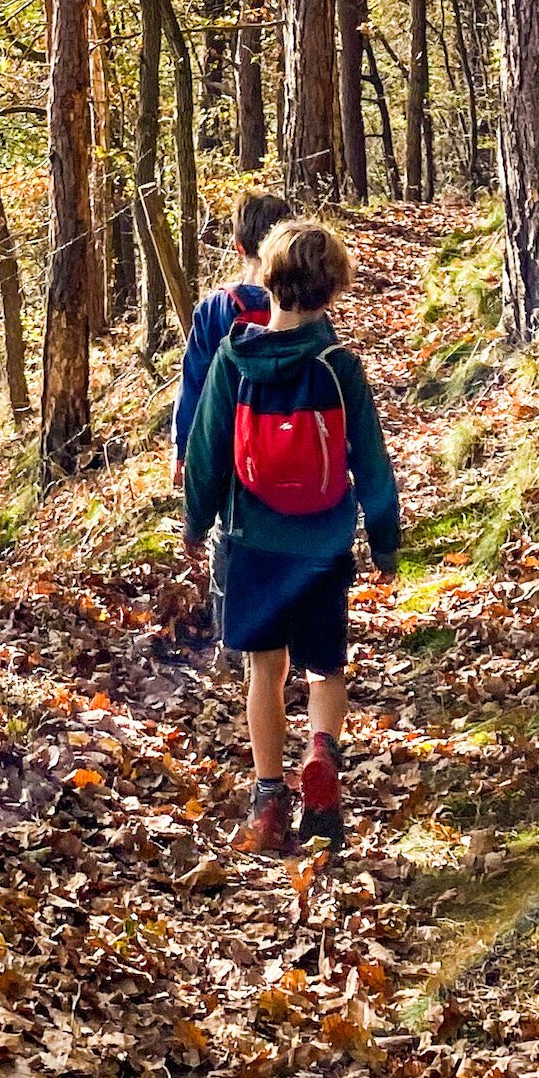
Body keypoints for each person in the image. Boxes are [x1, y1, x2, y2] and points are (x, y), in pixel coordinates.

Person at [181, 216, 399, 856]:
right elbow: (372, 461)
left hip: (251, 540)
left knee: (265, 669)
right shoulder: (340, 366)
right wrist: (384, 540)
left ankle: (269, 798)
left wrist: (197, 523)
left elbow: (207, 452)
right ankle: (323, 755)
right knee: (326, 666)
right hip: (324, 545)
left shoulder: (234, 359)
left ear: (266, 281)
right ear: (332, 291)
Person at [170, 187, 292, 480]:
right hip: (293, 443)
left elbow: (194, 383)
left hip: (230, 450)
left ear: (238, 246)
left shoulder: (214, 309)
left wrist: (182, 447)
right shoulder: (303, 303)